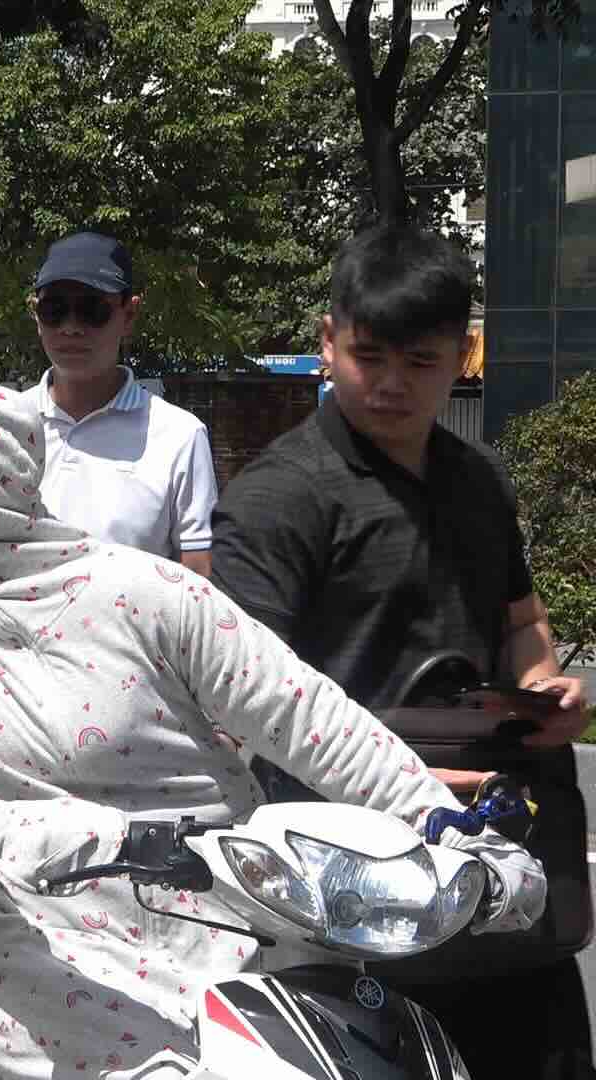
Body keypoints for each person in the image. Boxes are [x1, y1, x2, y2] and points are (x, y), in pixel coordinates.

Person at [0, 373, 544, 1080]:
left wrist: (449, 825)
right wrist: (100, 840)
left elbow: (310, 717)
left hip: (238, 912)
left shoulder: (148, 594)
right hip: (39, 951)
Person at [208, 224, 592, 1078]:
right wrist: (398, 783)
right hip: (348, 888)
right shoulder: (279, 499)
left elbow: (520, 618)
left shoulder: (480, 479)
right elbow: (240, 702)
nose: (389, 384)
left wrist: (542, 682)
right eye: (368, 355)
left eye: (419, 361)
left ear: (462, 354)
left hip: (502, 869)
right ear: (328, 341)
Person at [19, 232, 217, 574]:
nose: (71, 327)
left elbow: (199, 574)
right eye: (54, 310)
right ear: (36, 315)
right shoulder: (2, 425)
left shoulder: (180, 436)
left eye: (92, 310)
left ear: (129, 315)